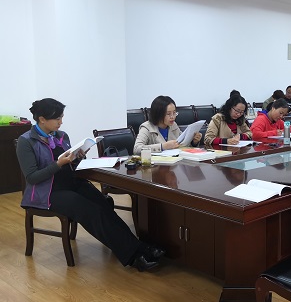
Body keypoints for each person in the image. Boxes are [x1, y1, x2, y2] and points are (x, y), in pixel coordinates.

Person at [16, 98, 164, 272]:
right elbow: (32, 177)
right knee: (91, 211)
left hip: (71, 183)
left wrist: (78, 157)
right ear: (42, 119)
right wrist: (58, 164)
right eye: (57, 118)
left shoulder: (61, 136)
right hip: (47, 192)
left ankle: (137, 247)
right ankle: (134, 256)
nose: (61, 122)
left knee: (103, 203)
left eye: (62, 117)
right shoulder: (26, 141)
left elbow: (71, 164)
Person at [134, 95, 200, 155]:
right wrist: (162, 146)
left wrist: (194, 142)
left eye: (174, 113)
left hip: (174, 162)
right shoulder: (147, 127)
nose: (172, 117)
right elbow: (137, 149)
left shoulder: (173, 125)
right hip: (155, 163)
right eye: (168, 114)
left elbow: (182, 145)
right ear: (158, 114)